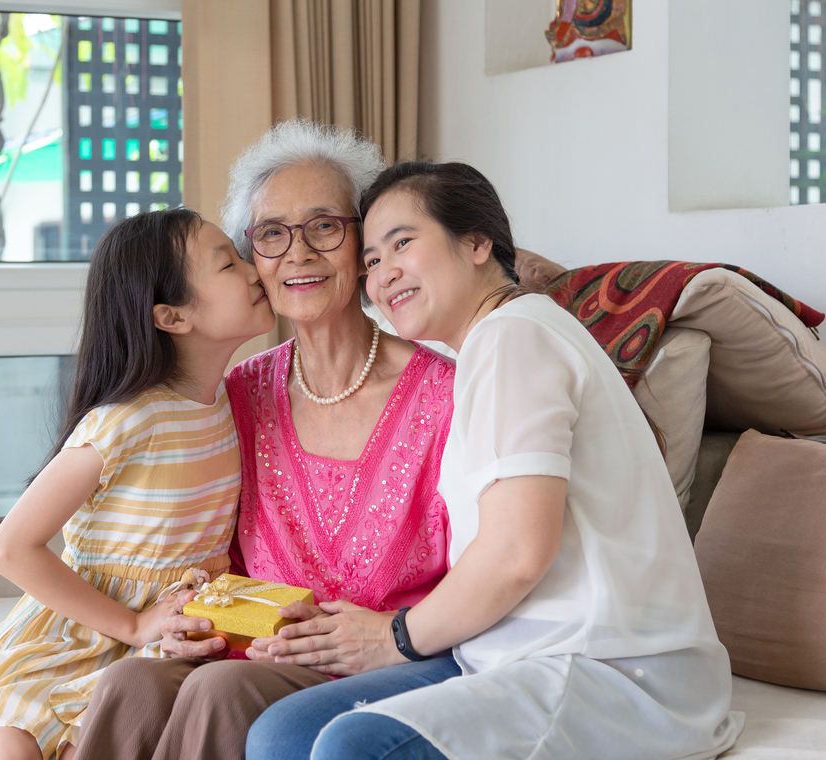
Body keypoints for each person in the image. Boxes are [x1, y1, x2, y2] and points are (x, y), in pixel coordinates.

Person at [252, 160, 745, 760]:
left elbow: (517, 554)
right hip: (508, 656)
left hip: (611, 670)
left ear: (478, 242)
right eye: (374, 260)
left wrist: (395, 636)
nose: (384, 275)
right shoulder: (493, 346)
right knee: (282, 734)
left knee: (351, 746)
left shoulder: (516, 338)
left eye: (403, 242)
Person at [73, 120, 459, 760]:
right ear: (253, 258)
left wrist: (395, 631)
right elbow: (203, 545)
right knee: (131, 681)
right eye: (272, 235)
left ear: (362, 243)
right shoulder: (236, 397)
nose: (298, 252)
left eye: (324, 226)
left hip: (389, 657)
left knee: (221, 689)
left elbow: (487, 563)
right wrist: (186, 610)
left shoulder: (446, 392)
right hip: (258, 647)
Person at [0, 208, 277, 760]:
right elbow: (11, 548)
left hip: (170, 634)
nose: (255, 269)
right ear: (173, 317)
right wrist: (133, 623)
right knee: (14, 733)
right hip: (85, 628)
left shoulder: (237, 401)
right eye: (228, 264)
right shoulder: (128, 420)